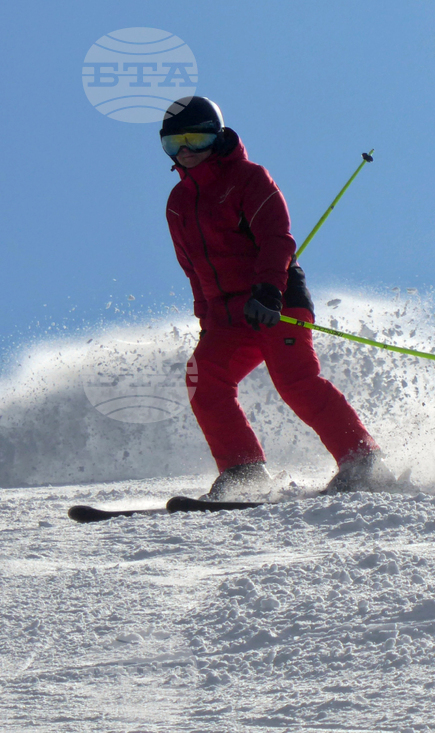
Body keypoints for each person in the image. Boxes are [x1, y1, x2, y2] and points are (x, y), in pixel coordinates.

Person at [161, 96, 394, 498]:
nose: (185, 152)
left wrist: (268, 292)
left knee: (295, 380)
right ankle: (243, 472)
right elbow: (192, 270)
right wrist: (207, 324)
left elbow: (277, 238)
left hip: (276, 300)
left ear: (215, 139)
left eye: (195, 140)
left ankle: (362, 461)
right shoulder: (178, 203)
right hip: (228, 318)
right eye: (173, 144)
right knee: (203, 377)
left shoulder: (250, 178)